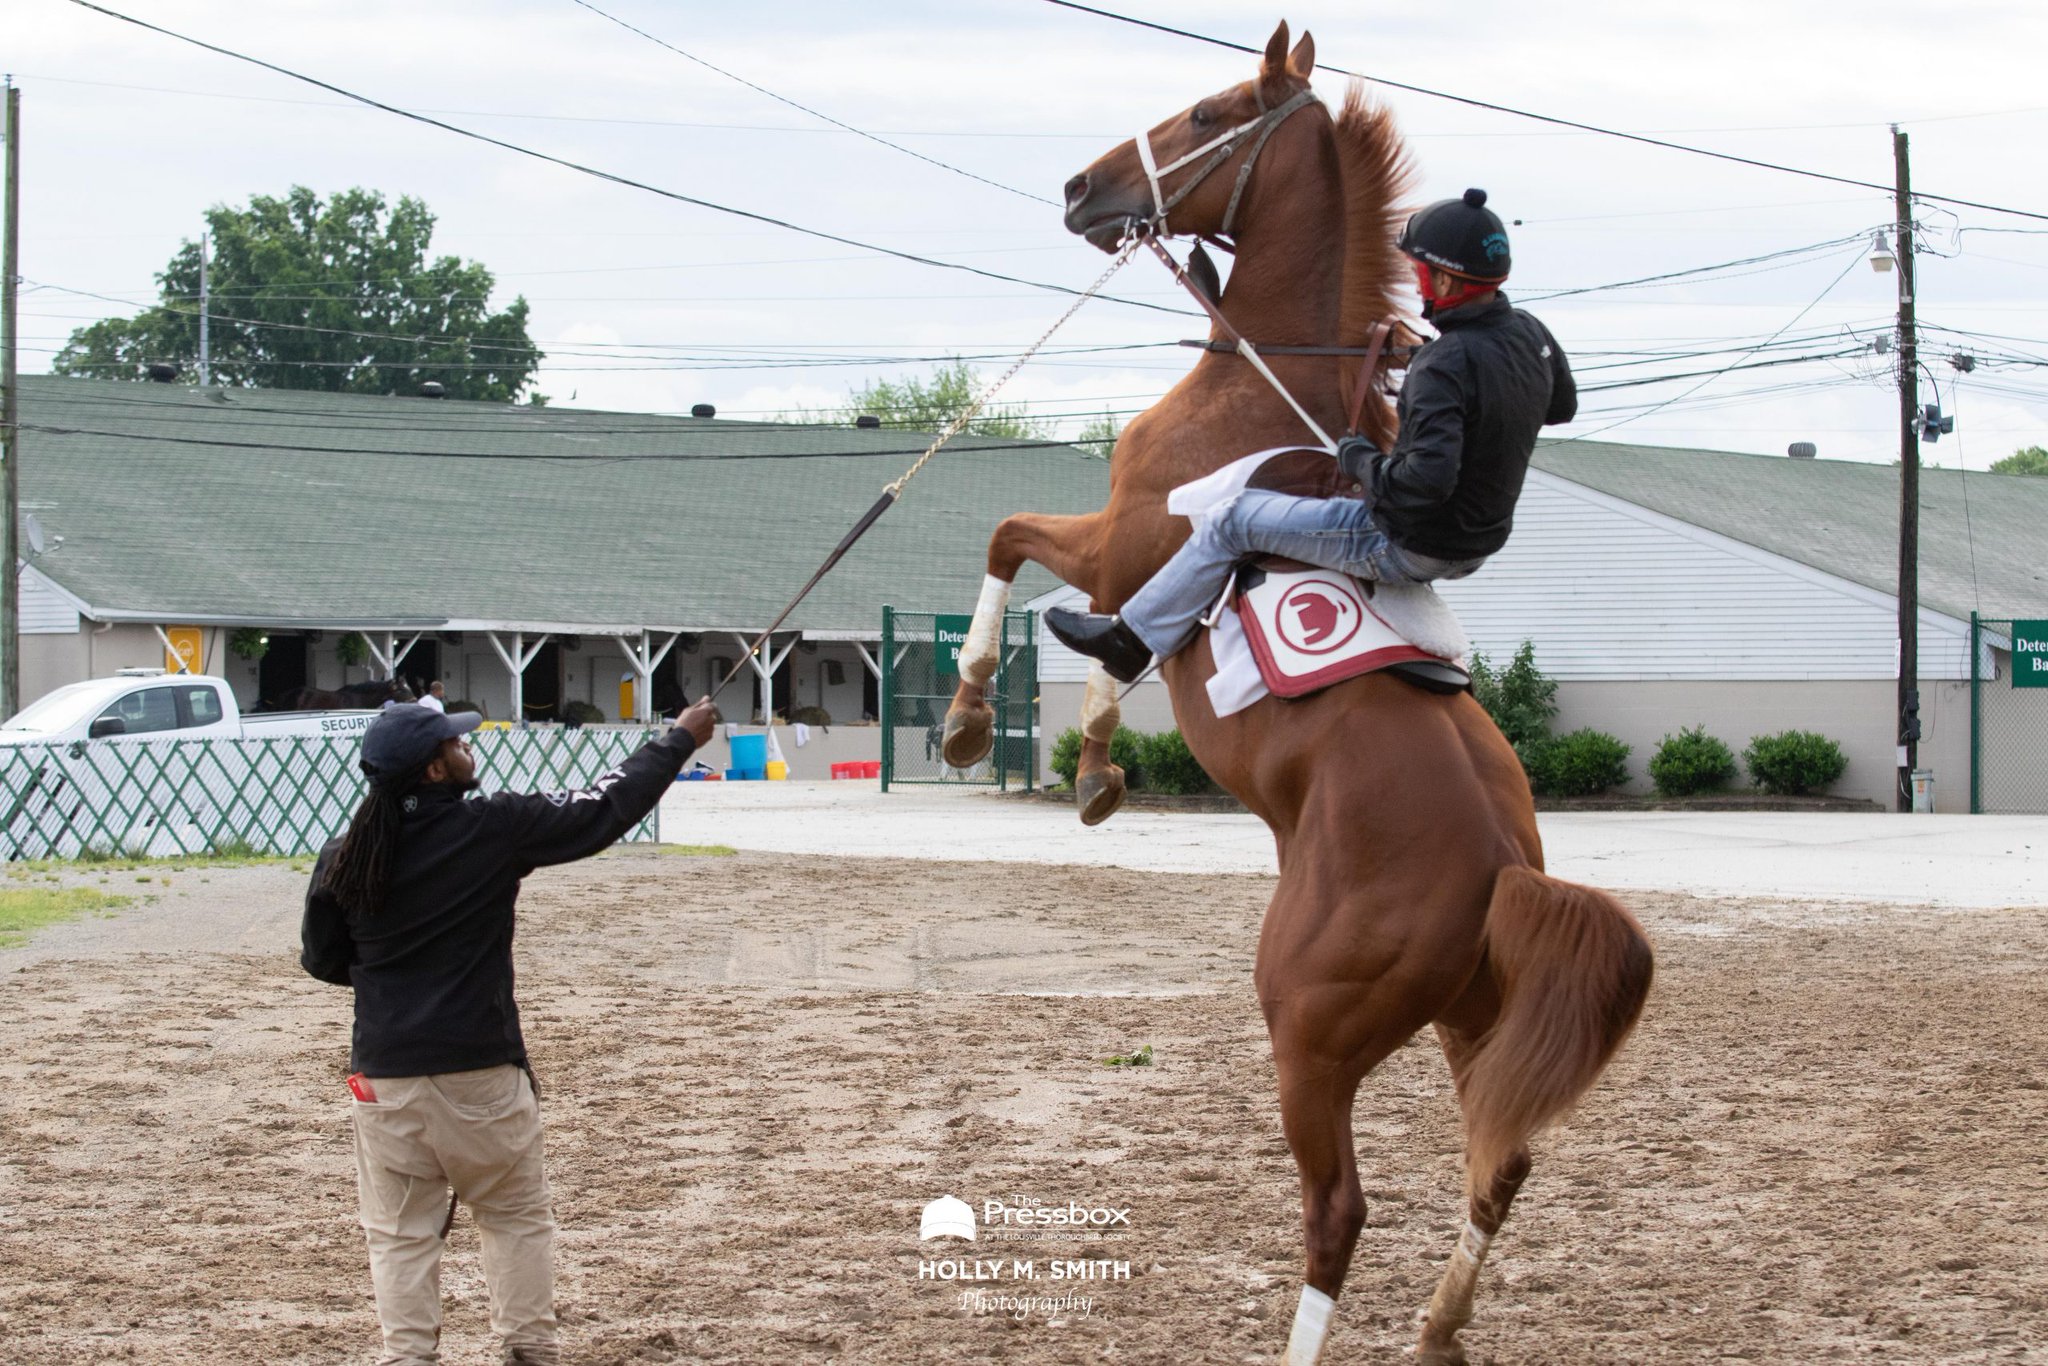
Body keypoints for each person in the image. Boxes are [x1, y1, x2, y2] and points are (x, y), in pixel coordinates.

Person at [301, 696, 718, 1366]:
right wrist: (677, 741)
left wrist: (400, 979)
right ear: (434, 770)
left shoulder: (346, 854)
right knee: (514, 1221)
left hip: (383, 1081)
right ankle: (526, 1351)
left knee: (400, 1236)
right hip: (479, 1073)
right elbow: (599, 810)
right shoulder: (490, 827)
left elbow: (324, 960)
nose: (470, 748)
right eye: (456, 745)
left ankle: (408, 1356)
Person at [1046, 188, 1578, 683]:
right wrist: (1472, 398)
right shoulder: (1532, 336)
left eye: (1419, 272)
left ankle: (1132, 638)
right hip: (1478, 544)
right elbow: (1561, 406)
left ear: (1443, 280)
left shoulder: (1444, 364)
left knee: (1233, 519)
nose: (1417, 284)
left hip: (1409, 544)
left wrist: (1359, 458)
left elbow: (1423, 484)